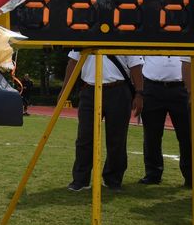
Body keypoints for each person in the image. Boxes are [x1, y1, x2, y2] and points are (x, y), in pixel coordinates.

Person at [61, 51, 144, 191]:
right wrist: (64, 90)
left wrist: (139, 93)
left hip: (118, 89)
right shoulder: (82, 36)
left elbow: (136, 65)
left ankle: (113, 179)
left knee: (117, 138)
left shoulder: (124, 36)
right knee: (84, 137)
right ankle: (81, 179)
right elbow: (72, 62)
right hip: (90, 89)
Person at [138, 56, 191, 187]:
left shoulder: (185, 36)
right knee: (151, 135)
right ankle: (153, 174)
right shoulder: (150, 35)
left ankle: (190, 176)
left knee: (187, 135)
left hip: (182, 87)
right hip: (152, 86)